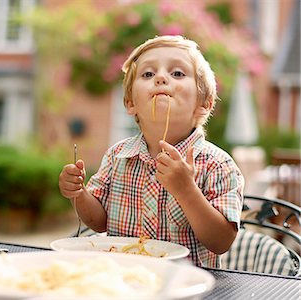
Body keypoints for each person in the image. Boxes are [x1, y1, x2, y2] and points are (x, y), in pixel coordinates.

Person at [58, 35, 244, 268]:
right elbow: (98, 222)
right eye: (148, 74)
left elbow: (221, 241)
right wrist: (79, 194)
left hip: (185, 286)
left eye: (177, 73)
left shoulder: (218, 164)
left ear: (204, 103)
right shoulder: (118, 156)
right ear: (130, 103)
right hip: (122, 281)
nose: (161, 78)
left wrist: (186, 190)